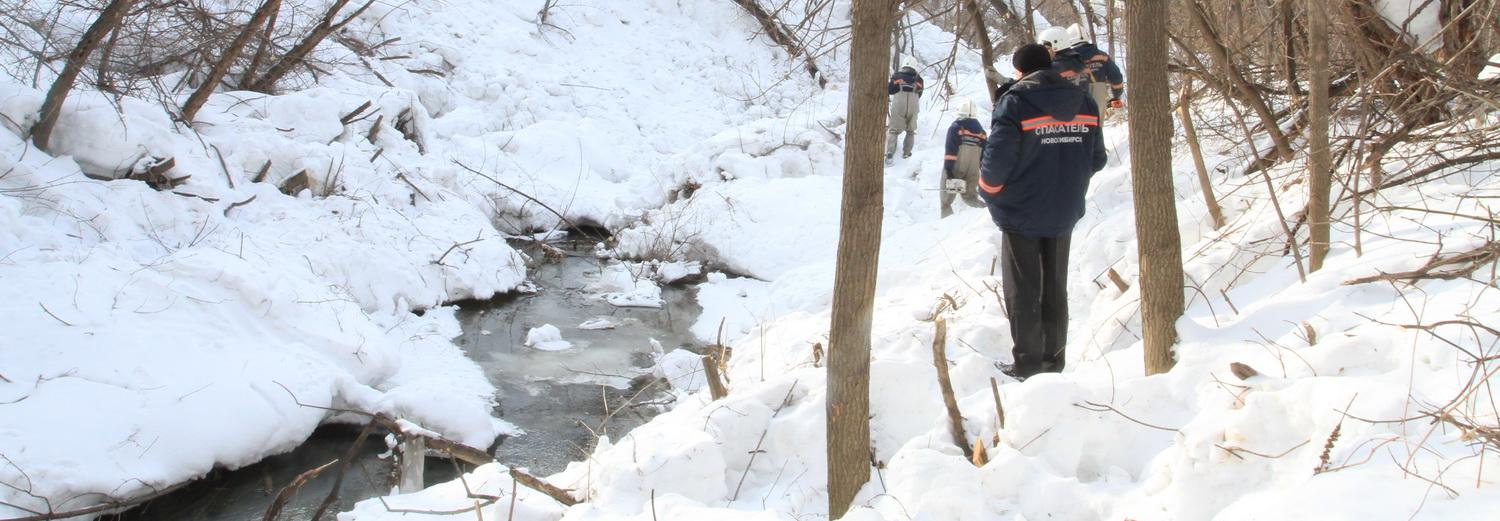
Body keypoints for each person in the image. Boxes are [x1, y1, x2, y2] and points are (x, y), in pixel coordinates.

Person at [978, 43, 1107, 380]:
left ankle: (1027, 364)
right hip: (1064, 209)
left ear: (1020, 71)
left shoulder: (1016, 102)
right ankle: (1054, 360)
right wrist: (1066, 180)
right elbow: (1097, 158)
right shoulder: (1084, 100)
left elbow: (997, 161)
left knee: (1023, 289)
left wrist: (988, 193)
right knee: (1054, 286)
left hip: (1021, 210)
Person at [1063, 24, 1125, 114]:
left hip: (1075, 103)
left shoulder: (1065, 60)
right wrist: (1116, 96)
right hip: (1098, 101)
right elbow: (1116, 78)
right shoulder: (1102, 56)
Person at [941, 97, 986, 217]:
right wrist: (984, 171)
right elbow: (984, 154)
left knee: (946, 199)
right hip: (973, 170)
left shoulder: (956, 128)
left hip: (957, 167)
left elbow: (951, 150)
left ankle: (946, 222)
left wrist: (948, 170)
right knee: (971, 197)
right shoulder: (982, 132)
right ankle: (984, 215)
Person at [886, 56, 924, 164]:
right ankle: (907, 153)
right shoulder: (919, 79)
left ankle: (890, 154)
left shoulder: (897, 76)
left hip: (899, 104)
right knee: (911, 131)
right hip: (913, 105)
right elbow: (920, 93)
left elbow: (890, 90)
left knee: (893, 130)